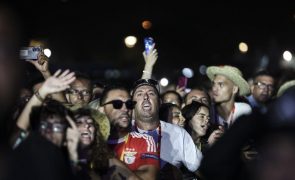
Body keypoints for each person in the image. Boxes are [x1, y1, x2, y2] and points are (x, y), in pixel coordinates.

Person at [131, 78, 202, 174]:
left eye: (151, 93)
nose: (145, 97)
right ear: (132, 104)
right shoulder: (124, 132)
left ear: (160, 102)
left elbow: (202, 169)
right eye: (139, 94)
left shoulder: (178, 133)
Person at [100, 84, 160, 180]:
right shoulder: (90, 139)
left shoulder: (144, 140)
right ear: (102, 110)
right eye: (117, 104)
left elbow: (148, 177)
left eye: (129, 104)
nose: (125, 109)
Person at [71, 107, 141, 180]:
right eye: (79, 122)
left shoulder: (104, 159)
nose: (87, 125)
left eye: (90, 122)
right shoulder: (60, 158)